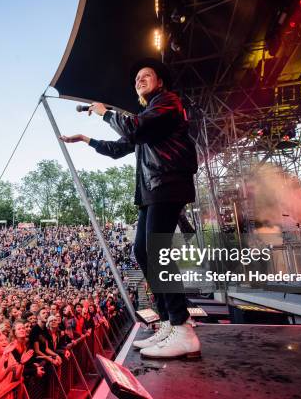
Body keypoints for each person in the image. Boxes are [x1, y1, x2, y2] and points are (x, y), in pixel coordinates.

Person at [60, 57, 201, 359]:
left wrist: (104, 112)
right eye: (136, 78)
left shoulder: (167, 102)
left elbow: (134, 129)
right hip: (152, 190)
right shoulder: (148, 117)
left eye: (145, 75)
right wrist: (86, 139)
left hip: (168, 183)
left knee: (156, 251)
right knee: (142, 252)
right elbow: (119, 147)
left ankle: (182, 327)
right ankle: (167, 321)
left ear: (159, 81)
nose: (139, 80)